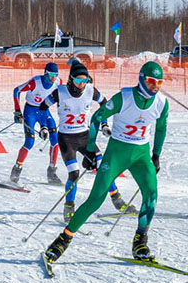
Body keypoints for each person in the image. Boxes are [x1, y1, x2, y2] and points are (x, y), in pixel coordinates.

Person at [43, 61, 169, 264]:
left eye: (159, 82)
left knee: (152, 194)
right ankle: (63, 239)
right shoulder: (124, 97)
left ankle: (140, 242)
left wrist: (156, 155)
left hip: (141, 155)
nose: (155, 85)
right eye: (151, 81)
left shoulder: (162, 102)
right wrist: (91, 150)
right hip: (117, 153)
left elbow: (161, 128)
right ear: (142, 79)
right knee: (96, 199)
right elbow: (96, 118)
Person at [39, 61, 134, 221]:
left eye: (85, 81)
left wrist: (104, 124)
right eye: (78, 81)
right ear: (70, 79)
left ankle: (117, 200)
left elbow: (105, 104)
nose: (82, 85)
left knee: (104, 166)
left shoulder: (91, 91)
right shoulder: (60, 92)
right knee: (74, 173)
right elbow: (42, 107)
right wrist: (44, 126)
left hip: (85, 137)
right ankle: (69, 207)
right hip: (66, 139)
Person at [10, 62, 62, 185]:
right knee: (30, 142)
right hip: (31, 111)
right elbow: (16, 90)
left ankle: (52, 172)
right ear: (45, 73)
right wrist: (17, 110)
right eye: (51, 75)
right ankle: (16, 169)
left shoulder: (58, 82)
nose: (53, 78)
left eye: (55, 75)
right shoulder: (36, 82)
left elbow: (62, 95)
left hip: (45, 111)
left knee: (55, 139)